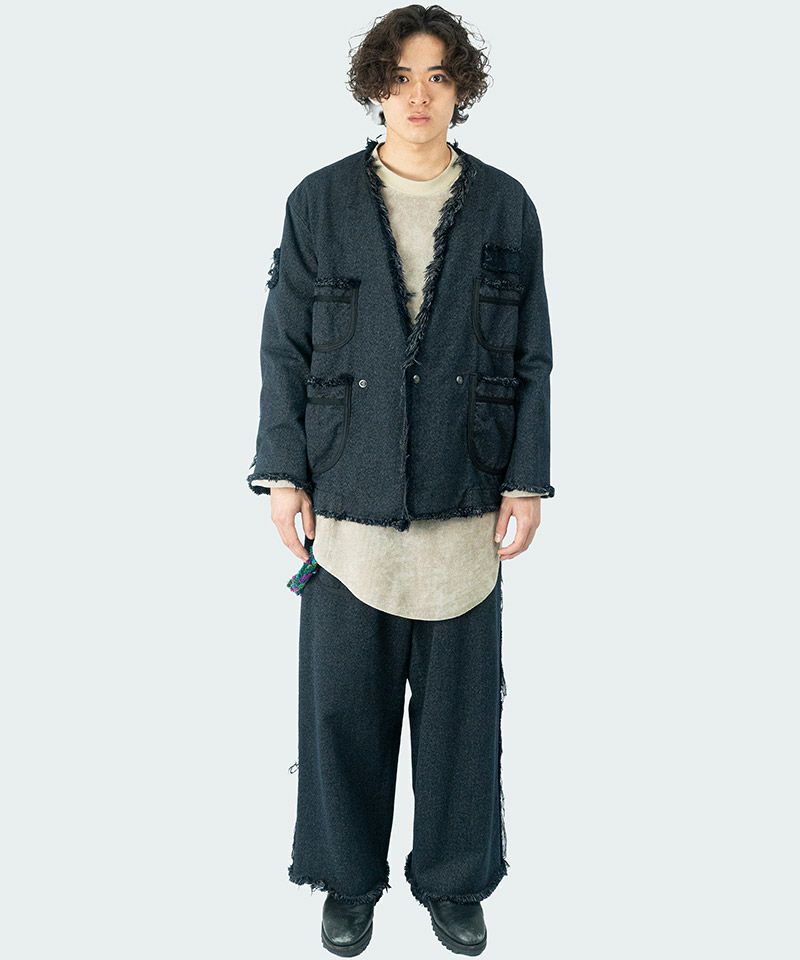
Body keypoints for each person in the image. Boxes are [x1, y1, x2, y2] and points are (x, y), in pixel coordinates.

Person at [247, 6, 555, 955]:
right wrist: (284, 473)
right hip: (348, 497)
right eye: (401, 75)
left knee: (462, 717)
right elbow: (285, 348)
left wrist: (527, 480)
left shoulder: (506, 205)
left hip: (467, 494)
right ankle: (347, 880)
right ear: (375, 86)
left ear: (462, 89)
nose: (418, 95)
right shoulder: (318, 202)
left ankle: (455, 882)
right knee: (342, 706)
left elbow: (533, 353)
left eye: (438, 76)